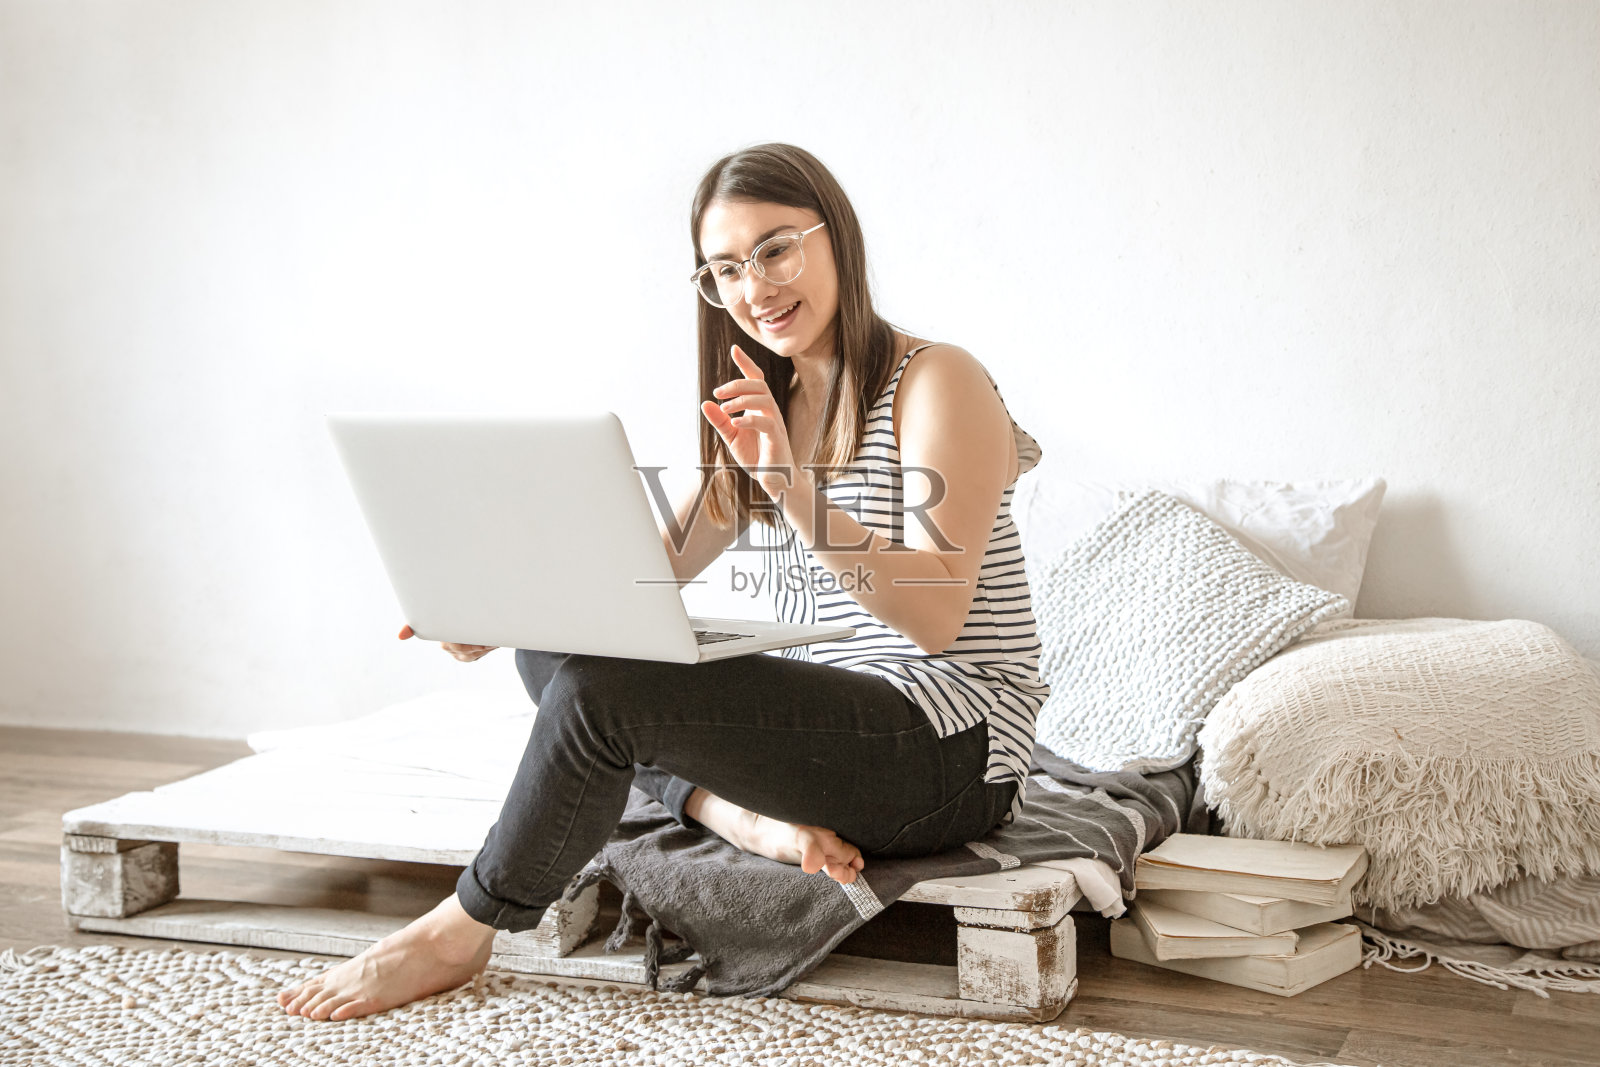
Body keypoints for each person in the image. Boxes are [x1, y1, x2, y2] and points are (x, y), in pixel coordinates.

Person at [277, 143, 1050, 1021]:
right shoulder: (767, 400)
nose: (755, 285)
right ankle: (738, 817)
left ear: (836, 239)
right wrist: (491, 608)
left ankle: (463, 924)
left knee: (602, 694)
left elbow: (939, 613)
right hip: (849, 723)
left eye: (775, 248)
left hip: (951, 748)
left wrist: (790, 480)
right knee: (562, 650)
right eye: (725, 267)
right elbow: (641, 579)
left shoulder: (935, 378)